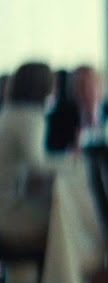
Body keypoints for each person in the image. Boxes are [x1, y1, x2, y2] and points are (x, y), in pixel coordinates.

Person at [0, 62, 56, 252]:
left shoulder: (9, 113)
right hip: (11, 217)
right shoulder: (30, 117)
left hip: (5, 211)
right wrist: (74, 164)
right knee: (68, 216)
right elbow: (38, 167)